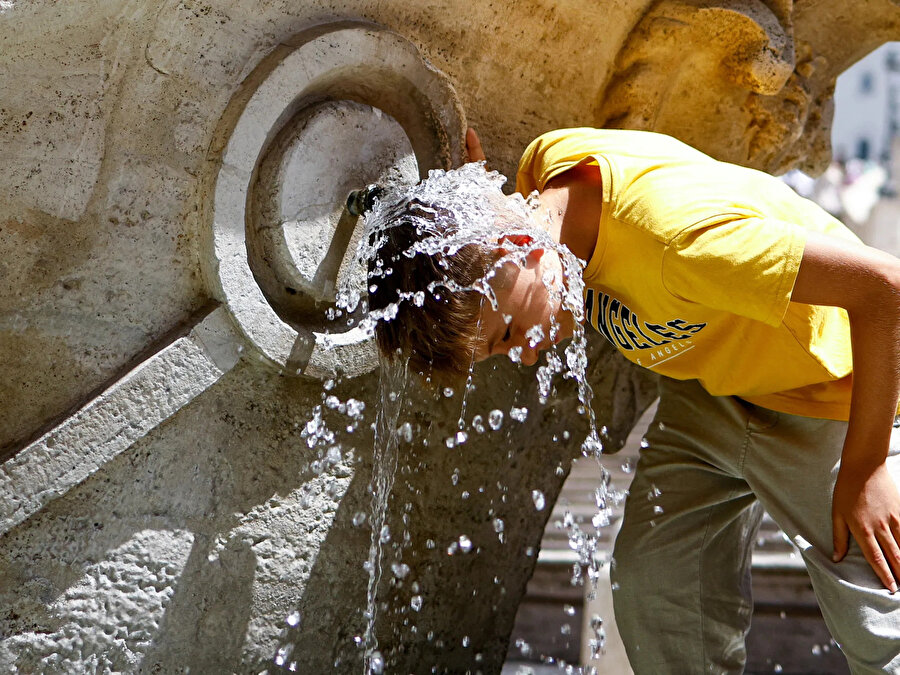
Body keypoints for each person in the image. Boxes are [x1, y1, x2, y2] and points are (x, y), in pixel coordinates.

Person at [367, 126, 900, 673]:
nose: (524, 357)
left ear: (521, 247)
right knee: (657, 587)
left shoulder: (679, 244)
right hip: (713, 397)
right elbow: (487, 232)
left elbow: (885, 285)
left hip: (833, 394)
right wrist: (473, 193)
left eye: (508, 335)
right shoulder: (545, 181)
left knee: (881, 619)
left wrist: (865, 465)